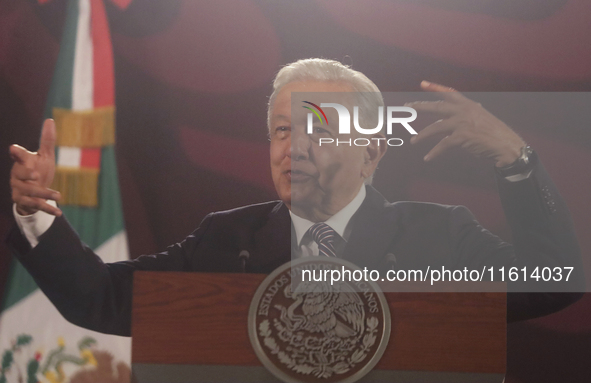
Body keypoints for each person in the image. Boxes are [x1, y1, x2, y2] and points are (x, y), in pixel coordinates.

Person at [7, 59, 584, 337]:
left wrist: (518, 163)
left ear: (373, 152)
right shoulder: (225, 240)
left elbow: (553, 281)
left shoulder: (439, 235)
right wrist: (36, 219)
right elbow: (102, 300)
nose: (296, 148)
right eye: (284, 131)